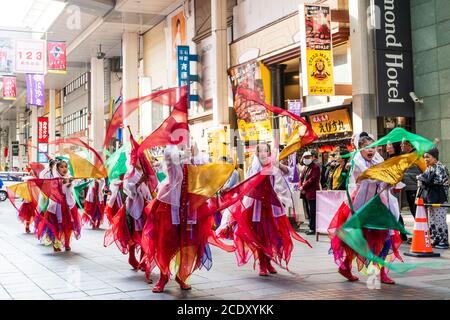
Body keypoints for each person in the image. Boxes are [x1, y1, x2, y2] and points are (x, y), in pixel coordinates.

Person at [141, 145, 233, 292]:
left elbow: (203, 174)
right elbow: (173, 162)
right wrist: (187, 154)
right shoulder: (170, 150)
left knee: (189, 243)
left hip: (190, 205)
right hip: (169, 203)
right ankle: (163, 277)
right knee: (165, 241)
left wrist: (195, 155)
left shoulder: (194, 151)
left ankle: (182, 276)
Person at [218, 142, 311, 277]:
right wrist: (232, 191)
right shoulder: (254, 167)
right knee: (260, 234)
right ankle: (262, 263)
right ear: (257, 153)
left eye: (265, 151)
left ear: (268, 152)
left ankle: (268, 261)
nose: (263, 153)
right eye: (260, 151)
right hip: (256, 205)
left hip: (271, 205)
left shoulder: (273, 164)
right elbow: (247, 184)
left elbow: (288, 172)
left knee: (273, 234)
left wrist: (278, 164)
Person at [328, 135, 403, 284]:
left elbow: (383, 177)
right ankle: (345, 267)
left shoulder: (378, 159)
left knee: (386, 239)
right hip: (359, 206)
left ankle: (381, 272)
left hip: (378, 206)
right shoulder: (357, 161)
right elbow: (371, 177)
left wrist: (394, 182)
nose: (371, 151)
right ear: (360, 148)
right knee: (354, 239)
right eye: (367, 148)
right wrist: (388, 178)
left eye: (373, 147)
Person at [36, 159, 82, 252]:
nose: (64, 169)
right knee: (56, 225)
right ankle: (56, 243)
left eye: (65, 166)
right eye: (61, 167)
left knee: (68, 225)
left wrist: (71, 181)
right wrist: (65, 181)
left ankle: (67, 244)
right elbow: (58, 185)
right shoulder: (54, 179)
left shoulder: (68, 176)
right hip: (55, 206)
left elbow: (69, 189)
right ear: (57, 169)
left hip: (67, 206)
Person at [417, 147, 449, 249]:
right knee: (432, 219)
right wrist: (422, 179)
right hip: (432, 197)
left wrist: (424, 179)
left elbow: (439, 181)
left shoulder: (440, 167)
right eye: (424, 157)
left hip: (440, 198)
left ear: (435, 158)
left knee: (440, 220)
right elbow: (425, 178)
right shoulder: (430, 167)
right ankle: (436, 239)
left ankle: (443, 241)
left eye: (428, 157)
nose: (425, 159)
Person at [401, 139, 425, 219]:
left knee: (416, 210)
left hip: (415, 188)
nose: (401, 146)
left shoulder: (416, 155)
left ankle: (423, 229)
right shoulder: (408, 156)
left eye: (403, 144)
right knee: (413, 208)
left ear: (409, 145)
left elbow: (425, 170)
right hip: (409, 187)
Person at [299, 151, 321, 235]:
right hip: (306, 192)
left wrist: (303, 186)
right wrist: (301, 187)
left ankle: (313, 228)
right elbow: (302, 178)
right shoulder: (306, 167)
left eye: (308, 157)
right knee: (309, 211)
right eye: (305, 157)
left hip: (312, 192)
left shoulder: (315, 167)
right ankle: (311, 226)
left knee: (313, 211)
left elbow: (313, 179)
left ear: (312, 157)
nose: (306, 159)